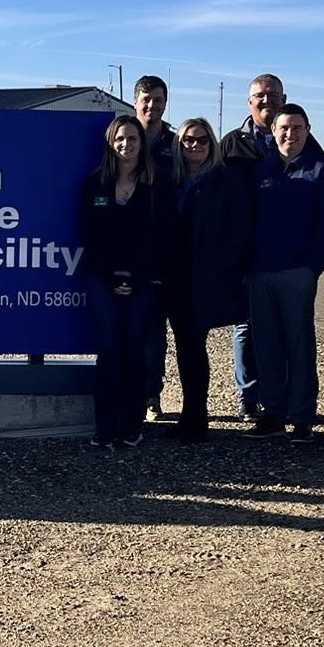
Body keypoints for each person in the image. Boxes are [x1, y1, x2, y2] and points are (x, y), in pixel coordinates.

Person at [78, 114, 175, 449]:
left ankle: (132, 426)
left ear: (141, 144)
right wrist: (110, 277)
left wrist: (137, 276)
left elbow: (164, 236)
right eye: (119, 138)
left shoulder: (158, 184)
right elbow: (90, 236)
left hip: (143, 281)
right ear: (110, 143)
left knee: (135, 351)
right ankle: (104, 429)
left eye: (132, 138)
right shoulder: (94, 184)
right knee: (108, 351)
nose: (126, 144)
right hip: (101, 279)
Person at [245, 104, 324, 444]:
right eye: (284, 128)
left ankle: (302, 417)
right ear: (273, 131)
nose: (290, 134)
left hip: (298, 273)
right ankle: (272, 414)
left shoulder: (319, 172)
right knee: (266, 345)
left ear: (307, 130)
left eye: (297, 128)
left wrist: (313, 267)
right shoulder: (260, 171)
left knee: (299, 346)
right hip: (260, 273)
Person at [167, 118, 252, 444]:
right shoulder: (171, 178)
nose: (196, 145)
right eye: (188, 140)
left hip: (207, 278)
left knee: (194, 346)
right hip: (175, 278)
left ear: (212, 144)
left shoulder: (225, 180)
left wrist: (226, 267)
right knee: (184, 347)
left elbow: (238, 229)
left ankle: (196, 418)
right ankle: (187, 415)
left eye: (202, 140)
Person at [222, 72, 283, 420]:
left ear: (283, 99)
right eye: (260, 95)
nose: (266, 100)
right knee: (245, 326)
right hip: (244, 252)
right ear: (249, 102)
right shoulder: (232, 144)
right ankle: (248, 396)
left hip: (283, 253)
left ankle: (277, 396)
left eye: (273, 95)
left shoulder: (297, 137)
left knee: (281, 328)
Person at [132, 75, 177, 417]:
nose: (152, 106)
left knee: (154, 331)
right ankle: (128, 392)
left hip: (163, 251)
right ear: (136, 102)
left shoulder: (174, 145)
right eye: (146, 100)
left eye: (158, 100)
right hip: (125, 247)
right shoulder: (122, 139)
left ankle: (151, 395)